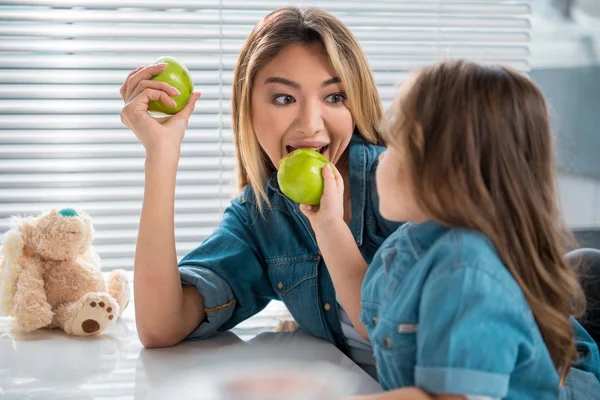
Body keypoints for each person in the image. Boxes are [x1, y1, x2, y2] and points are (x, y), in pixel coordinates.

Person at [118, 6, 398, 377]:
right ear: (247, 109)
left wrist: (330, 229)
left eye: (334, 97)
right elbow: (160, 327)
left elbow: (392, 327)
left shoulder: (404, 182)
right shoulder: (263, 215)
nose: (310, 125)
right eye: (284, 98)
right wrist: (161, 156)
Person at [301, 59, 600, 399]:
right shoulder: (415, 243)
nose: (382, 157)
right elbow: (368, 316)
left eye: (396, 144)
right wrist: (327, 223)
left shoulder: (464, 270)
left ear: (443, 168)